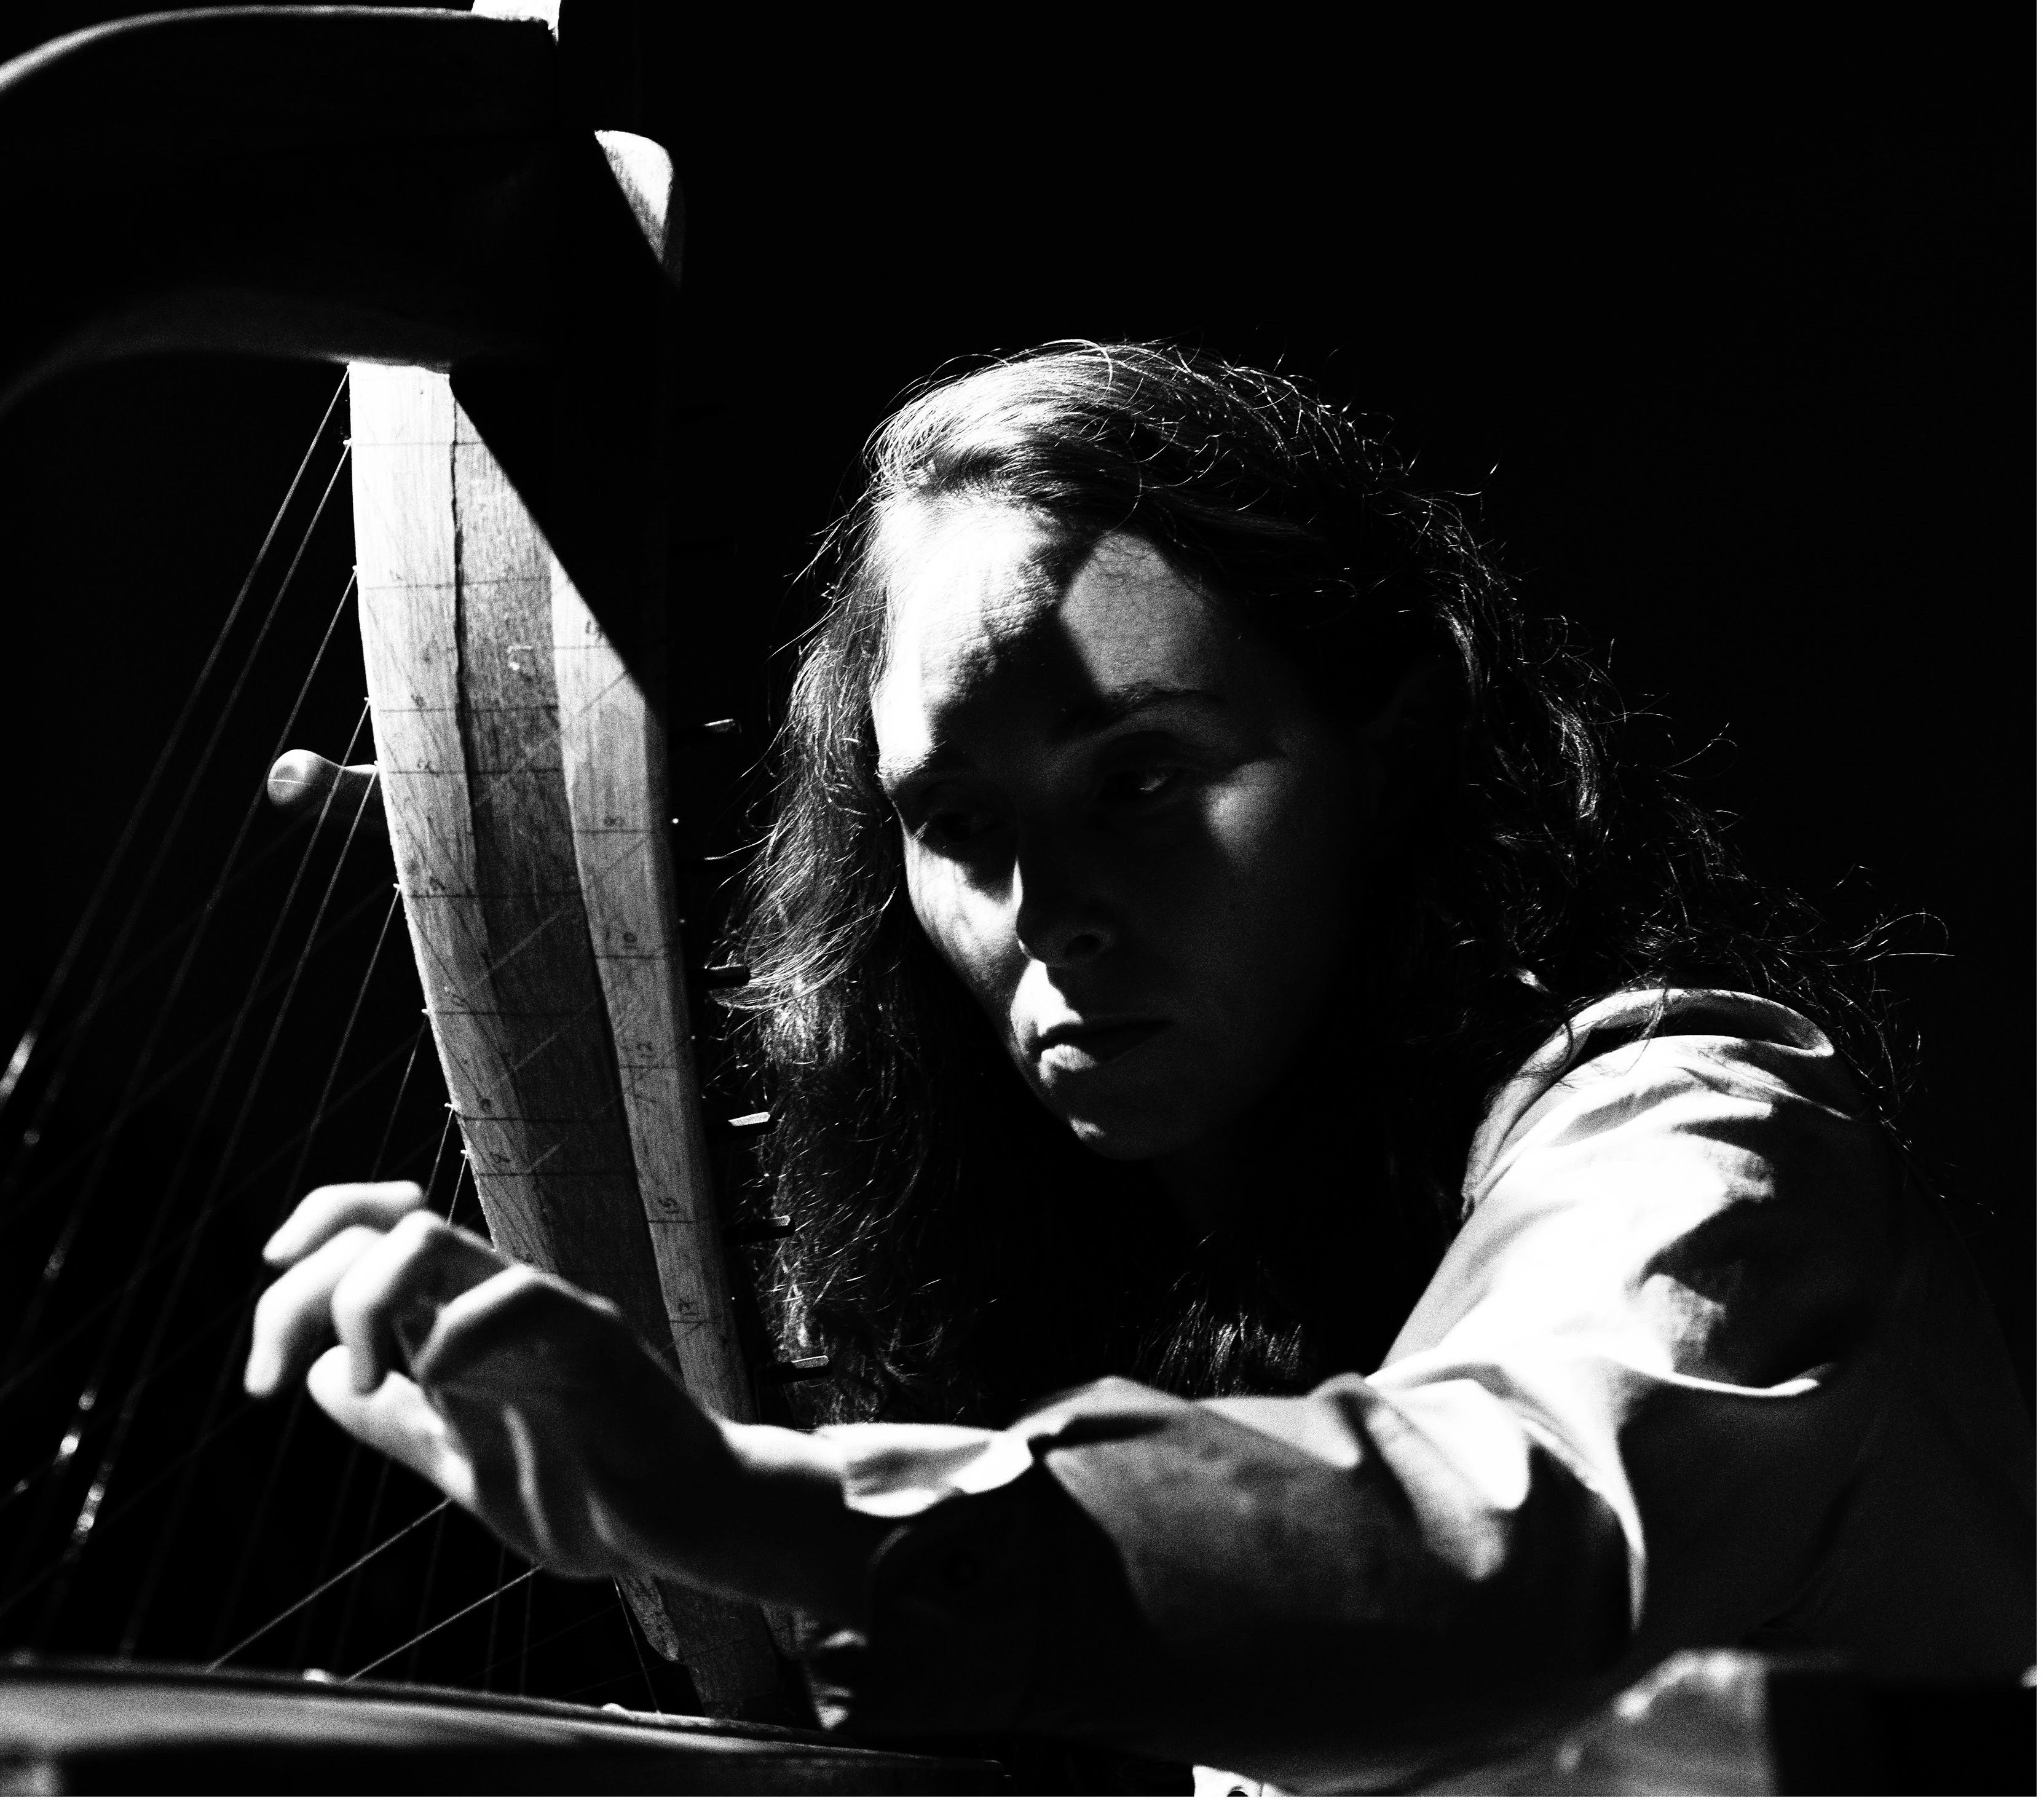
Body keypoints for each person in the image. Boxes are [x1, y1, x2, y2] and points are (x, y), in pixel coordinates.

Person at [240, 342, 2030, 1790]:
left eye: (1145, 781)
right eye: (955, 825)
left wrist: (749, 1505)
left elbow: (1484, 1542)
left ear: (1393, 757)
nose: (1051, 909)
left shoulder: (1706, 1150)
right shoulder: (1143, 1263)